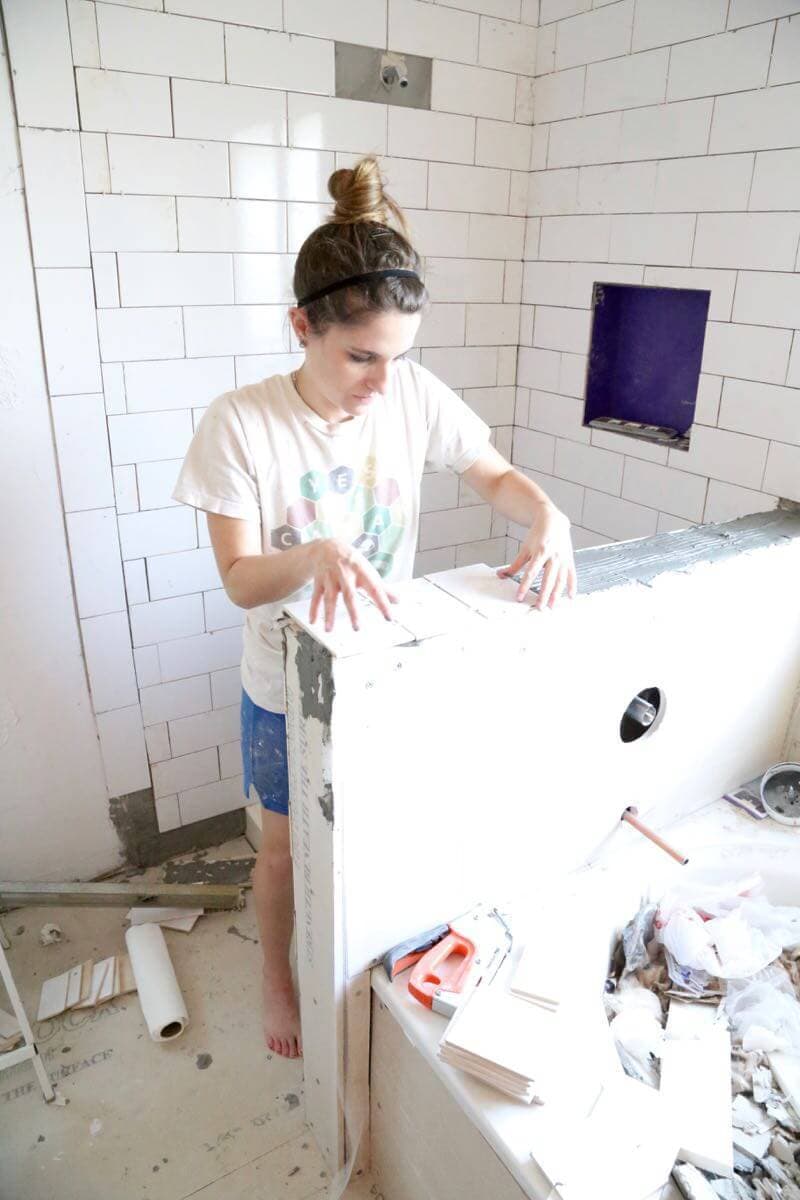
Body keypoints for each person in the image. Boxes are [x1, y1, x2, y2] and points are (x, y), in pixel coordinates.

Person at [173, 156, 577, 1060]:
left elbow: (494, 475)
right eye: (361, 357)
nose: (382, 382)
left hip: (389, 668)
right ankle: (277, 979)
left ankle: (377, 958)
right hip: (285, 681)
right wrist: (312, 555)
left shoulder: (413, 394)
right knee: (280, 850)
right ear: (302, 328)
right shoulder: (240, 424)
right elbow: (240, 578)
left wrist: (547, 515)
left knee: (387, 823)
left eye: (398, 357)